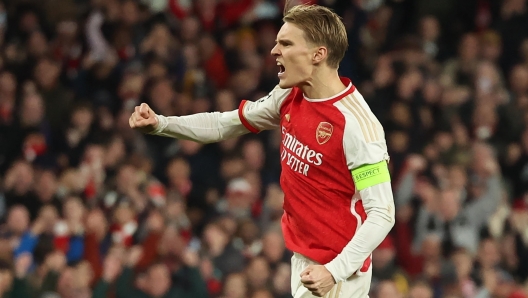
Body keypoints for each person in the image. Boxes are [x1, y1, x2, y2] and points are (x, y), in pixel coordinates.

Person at [129, 3, 395, 297]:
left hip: (337, 270)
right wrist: (161, 124)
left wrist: (334, 271)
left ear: (318, 54)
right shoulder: (290, 95)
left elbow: (382, 214)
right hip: (305, 259)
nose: (273, 51)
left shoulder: (358, 126)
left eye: (286, 43)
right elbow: (224, 124)